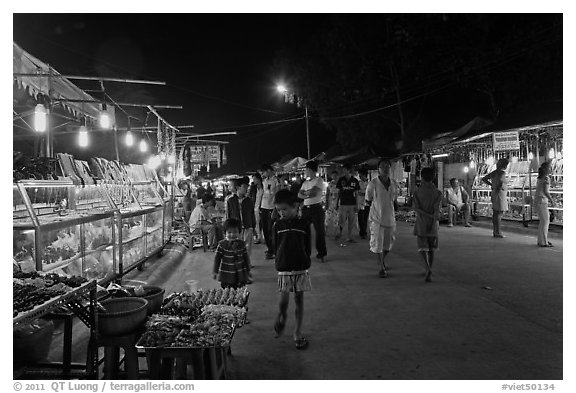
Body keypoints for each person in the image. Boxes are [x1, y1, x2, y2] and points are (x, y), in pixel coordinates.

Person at [272, 189, 311, 350]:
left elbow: (308, 246)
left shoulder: (304, 224)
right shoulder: (277, 225)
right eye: (279, 210)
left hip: (300, 268)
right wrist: (279, 259)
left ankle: (297, 331)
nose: (282, 213)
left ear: (295, 206)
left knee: (299, 301)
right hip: (284, 269)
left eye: (285, 209)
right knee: (283, 302)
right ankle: (282, 315)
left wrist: (305, 259)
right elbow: (275, 245)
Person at [365, 159, 399, 278]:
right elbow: (368, 200)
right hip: (376, 219)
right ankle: (381, 268)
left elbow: (394, 200)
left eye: (387, 166)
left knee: (388, 244)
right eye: (382, 166)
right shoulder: (372, 184)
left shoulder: (394, 184)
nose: (385, 168)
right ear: (378, 169)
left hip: (390, 218)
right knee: (377, 243)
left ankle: (382, 260)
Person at [413, 167, 443, 283]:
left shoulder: (417, 192)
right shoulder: (438, 193)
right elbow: (436, 210)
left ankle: (427, 268)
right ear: (434, 177)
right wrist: (432, 218)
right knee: (431, 249)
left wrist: (426, 215)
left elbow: (416, 208)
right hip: (433, 224)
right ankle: (429, 268)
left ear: (421, 177)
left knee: (422, 248)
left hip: (421, 223)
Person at [298, 160, 327, 262]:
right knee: (304, 231)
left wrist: (305, 194)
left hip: (317, 208)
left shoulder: (319, 180)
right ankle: (306, 252)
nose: (305, 171)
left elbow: (314, 193)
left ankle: (321, 253)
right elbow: (299, 195)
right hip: (306, 209)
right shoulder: (305, 182)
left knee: (320, 232)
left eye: (306, 169)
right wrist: (307, 193)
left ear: (310, 170)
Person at [213, 218, 252, 288]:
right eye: (229, 232)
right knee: (227, 293)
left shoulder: (242, 244)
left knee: (239, 293)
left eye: (235, 232)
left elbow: (246, 258)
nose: (232, 234)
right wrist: (215, 271)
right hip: (226, 275)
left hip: (239, 275)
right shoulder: (222, 245)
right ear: (225, 233)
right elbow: (217, 259)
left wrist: (248, 271)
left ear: (239, 232)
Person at [226, 176, 257, 258]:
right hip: (236, 227)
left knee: (248, 246)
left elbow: (252, 214)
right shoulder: (230, 200)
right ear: (237, 188)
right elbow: (228, 214)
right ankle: (238, 261)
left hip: (248, 226)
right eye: (244, 187)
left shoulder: (249, 200)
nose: (246, 189)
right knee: (236, 245)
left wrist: (253, 227)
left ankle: (247, 262)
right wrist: (228, 227)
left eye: (247, 187)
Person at [482, 158, 509, 238]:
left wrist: (491, 185)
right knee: (499, 214)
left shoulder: (494, 172)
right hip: (500, 193)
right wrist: (497, 187)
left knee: (495, 213)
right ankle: (498, 232)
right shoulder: (502, 173)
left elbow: (484, 179)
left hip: (494, 192)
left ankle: (495, 231)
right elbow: (500, 182)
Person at [261, 164, 281, 259]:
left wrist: (275, 208)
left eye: (264, 171)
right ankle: (270, 248)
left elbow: (277, 194)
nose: (263, 174)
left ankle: (273, 250)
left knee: (270, 230)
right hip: (264, 207)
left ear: (268, 170)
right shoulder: (264, 180)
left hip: (271, 207)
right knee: (265, 229)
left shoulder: (276, 180)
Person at [336, 163, 360, 243]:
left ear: (349, 170)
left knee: (351, 221)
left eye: (345, 169)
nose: (343, 170)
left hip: (352, 203)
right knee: (342, 219)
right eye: (343, 169)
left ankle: (349, 236)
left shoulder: (355, 181)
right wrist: (337, 203)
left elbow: (356, 194)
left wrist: (357, 204)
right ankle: (339, 233)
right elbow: (339, 192)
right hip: (343, 203)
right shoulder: (341, 180)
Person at [534, 161, 555, 247]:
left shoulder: (540, 178)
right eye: (550, 167)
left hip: (538, 200)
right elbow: (546, 191)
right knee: (545, 221)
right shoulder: (546, 178)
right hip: (542, 201)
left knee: (542, 222)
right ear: (547, 169)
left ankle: (541, 240)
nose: (551, 169)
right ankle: (544, 242)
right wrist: (551, 200)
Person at [324, 170, 340, 238]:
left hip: (337, 203)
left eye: (335, 176)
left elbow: (340, 195)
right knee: (327, 218)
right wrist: (326, 203)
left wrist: (338, 204)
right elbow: (327, 194)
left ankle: (335, 233)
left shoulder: (340, 185)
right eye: (333, 176)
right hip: (330, 203)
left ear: (337, 176)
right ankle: (325, 231)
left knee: (336, 219)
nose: (334, 177)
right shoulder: (329, 184)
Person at [250, 173, 265, 244]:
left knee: (263, 222)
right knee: (256, 224)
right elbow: (250, 197)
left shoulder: (264, 186)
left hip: (262, 207)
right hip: (255, 207)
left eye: (254, 179)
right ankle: (258, 237)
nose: (254, 180)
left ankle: (263, 236)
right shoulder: (253, 188)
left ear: (259, 179)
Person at [357, 168, 369, 239]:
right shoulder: (358, 183)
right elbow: (357, 192)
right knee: (360, 218)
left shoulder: (369, 183)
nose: (359, 176)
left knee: (365, 218)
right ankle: (362, 232)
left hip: (367, 203)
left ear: (364, 175)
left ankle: (363, 232)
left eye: (360, 175)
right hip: (360, 203)